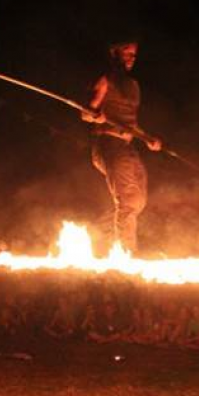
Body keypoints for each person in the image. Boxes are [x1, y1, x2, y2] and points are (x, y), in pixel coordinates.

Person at [81, 39, 162, 254]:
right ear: (114, 53)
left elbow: (131, 124)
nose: (131, 58)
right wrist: (95, 116)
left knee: (139, 201)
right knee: (128, 202)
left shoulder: (133, 86)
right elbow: (85, 113)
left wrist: (147, 138)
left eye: (134, 54)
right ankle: (127, 255)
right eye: (127, 53)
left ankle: (100, 235)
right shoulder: (105, 80)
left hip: (126, 146)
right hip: (109, 144)